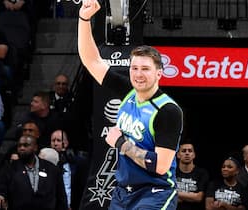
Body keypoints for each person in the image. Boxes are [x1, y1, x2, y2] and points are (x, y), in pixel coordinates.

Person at [78, 1, 183, 209]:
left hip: (155, 193)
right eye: (134, 68)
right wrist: (84, 19)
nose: (138, 74)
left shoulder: (168, 111)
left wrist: (121, 144)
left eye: (145, 69)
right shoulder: (129, 91)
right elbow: (92, 62)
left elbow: (160, 166)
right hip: (123, 192)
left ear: (159, 73)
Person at [0, 135, 68, 210]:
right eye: (19, 146)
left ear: (35, 148)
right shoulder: (9, 168)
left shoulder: (52, 169)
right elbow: (0, 189)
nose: (22, 148)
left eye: (26, 145)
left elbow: (61, 198)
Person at [51, 129, 88, 210]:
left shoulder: (76, 163)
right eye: (53, 141)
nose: (55, 143)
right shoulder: (47, 162)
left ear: (66, 143)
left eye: (59, 140)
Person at [176, 142, 209, 210]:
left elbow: (198, 197)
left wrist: (176, 194)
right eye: (184, 151)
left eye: (190, 151)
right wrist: (191, 196)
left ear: (194, 155)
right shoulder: (173, 171)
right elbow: (165, 194)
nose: (187, 153)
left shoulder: (202, 173)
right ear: (178, 155)